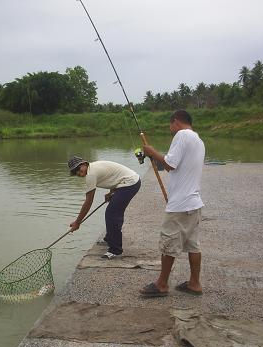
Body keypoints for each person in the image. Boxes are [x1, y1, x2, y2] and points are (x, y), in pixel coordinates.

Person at [139, 110, 205, 297]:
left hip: (181, 205)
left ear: (175, 121)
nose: (170, 129)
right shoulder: (198, 140)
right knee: (193, 245)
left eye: (170, 125)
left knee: (169, 243)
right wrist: (155, 159)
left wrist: (151, 151)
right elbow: (173, 167)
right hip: (194, 203)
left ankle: (162, 284)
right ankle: (194, 283)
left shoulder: (182, 135)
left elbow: (170, 164)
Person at [68, 156, 141, 259]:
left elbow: (88, 202)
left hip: (130, 184)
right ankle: (110, 239)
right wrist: (111, 192)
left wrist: (77, 222)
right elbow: (113, 177)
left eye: (79, 170)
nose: (80, 173)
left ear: (84, 164)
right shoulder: (92, 168)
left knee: (112, 214)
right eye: (77, 173)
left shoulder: (91, 174)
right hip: (128, 182)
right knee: (114, 212)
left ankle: (115, 250)